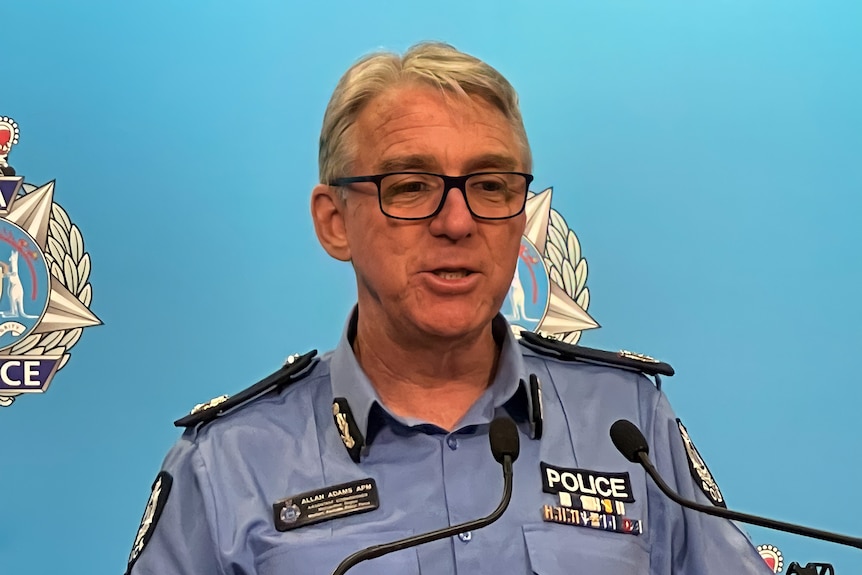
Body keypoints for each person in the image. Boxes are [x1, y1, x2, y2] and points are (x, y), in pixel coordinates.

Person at [125, 42, 772, 575]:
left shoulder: (627, 423)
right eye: (411, 187)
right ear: (334, 221)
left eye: (491, 185)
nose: (458, 221)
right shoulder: (230, 461)